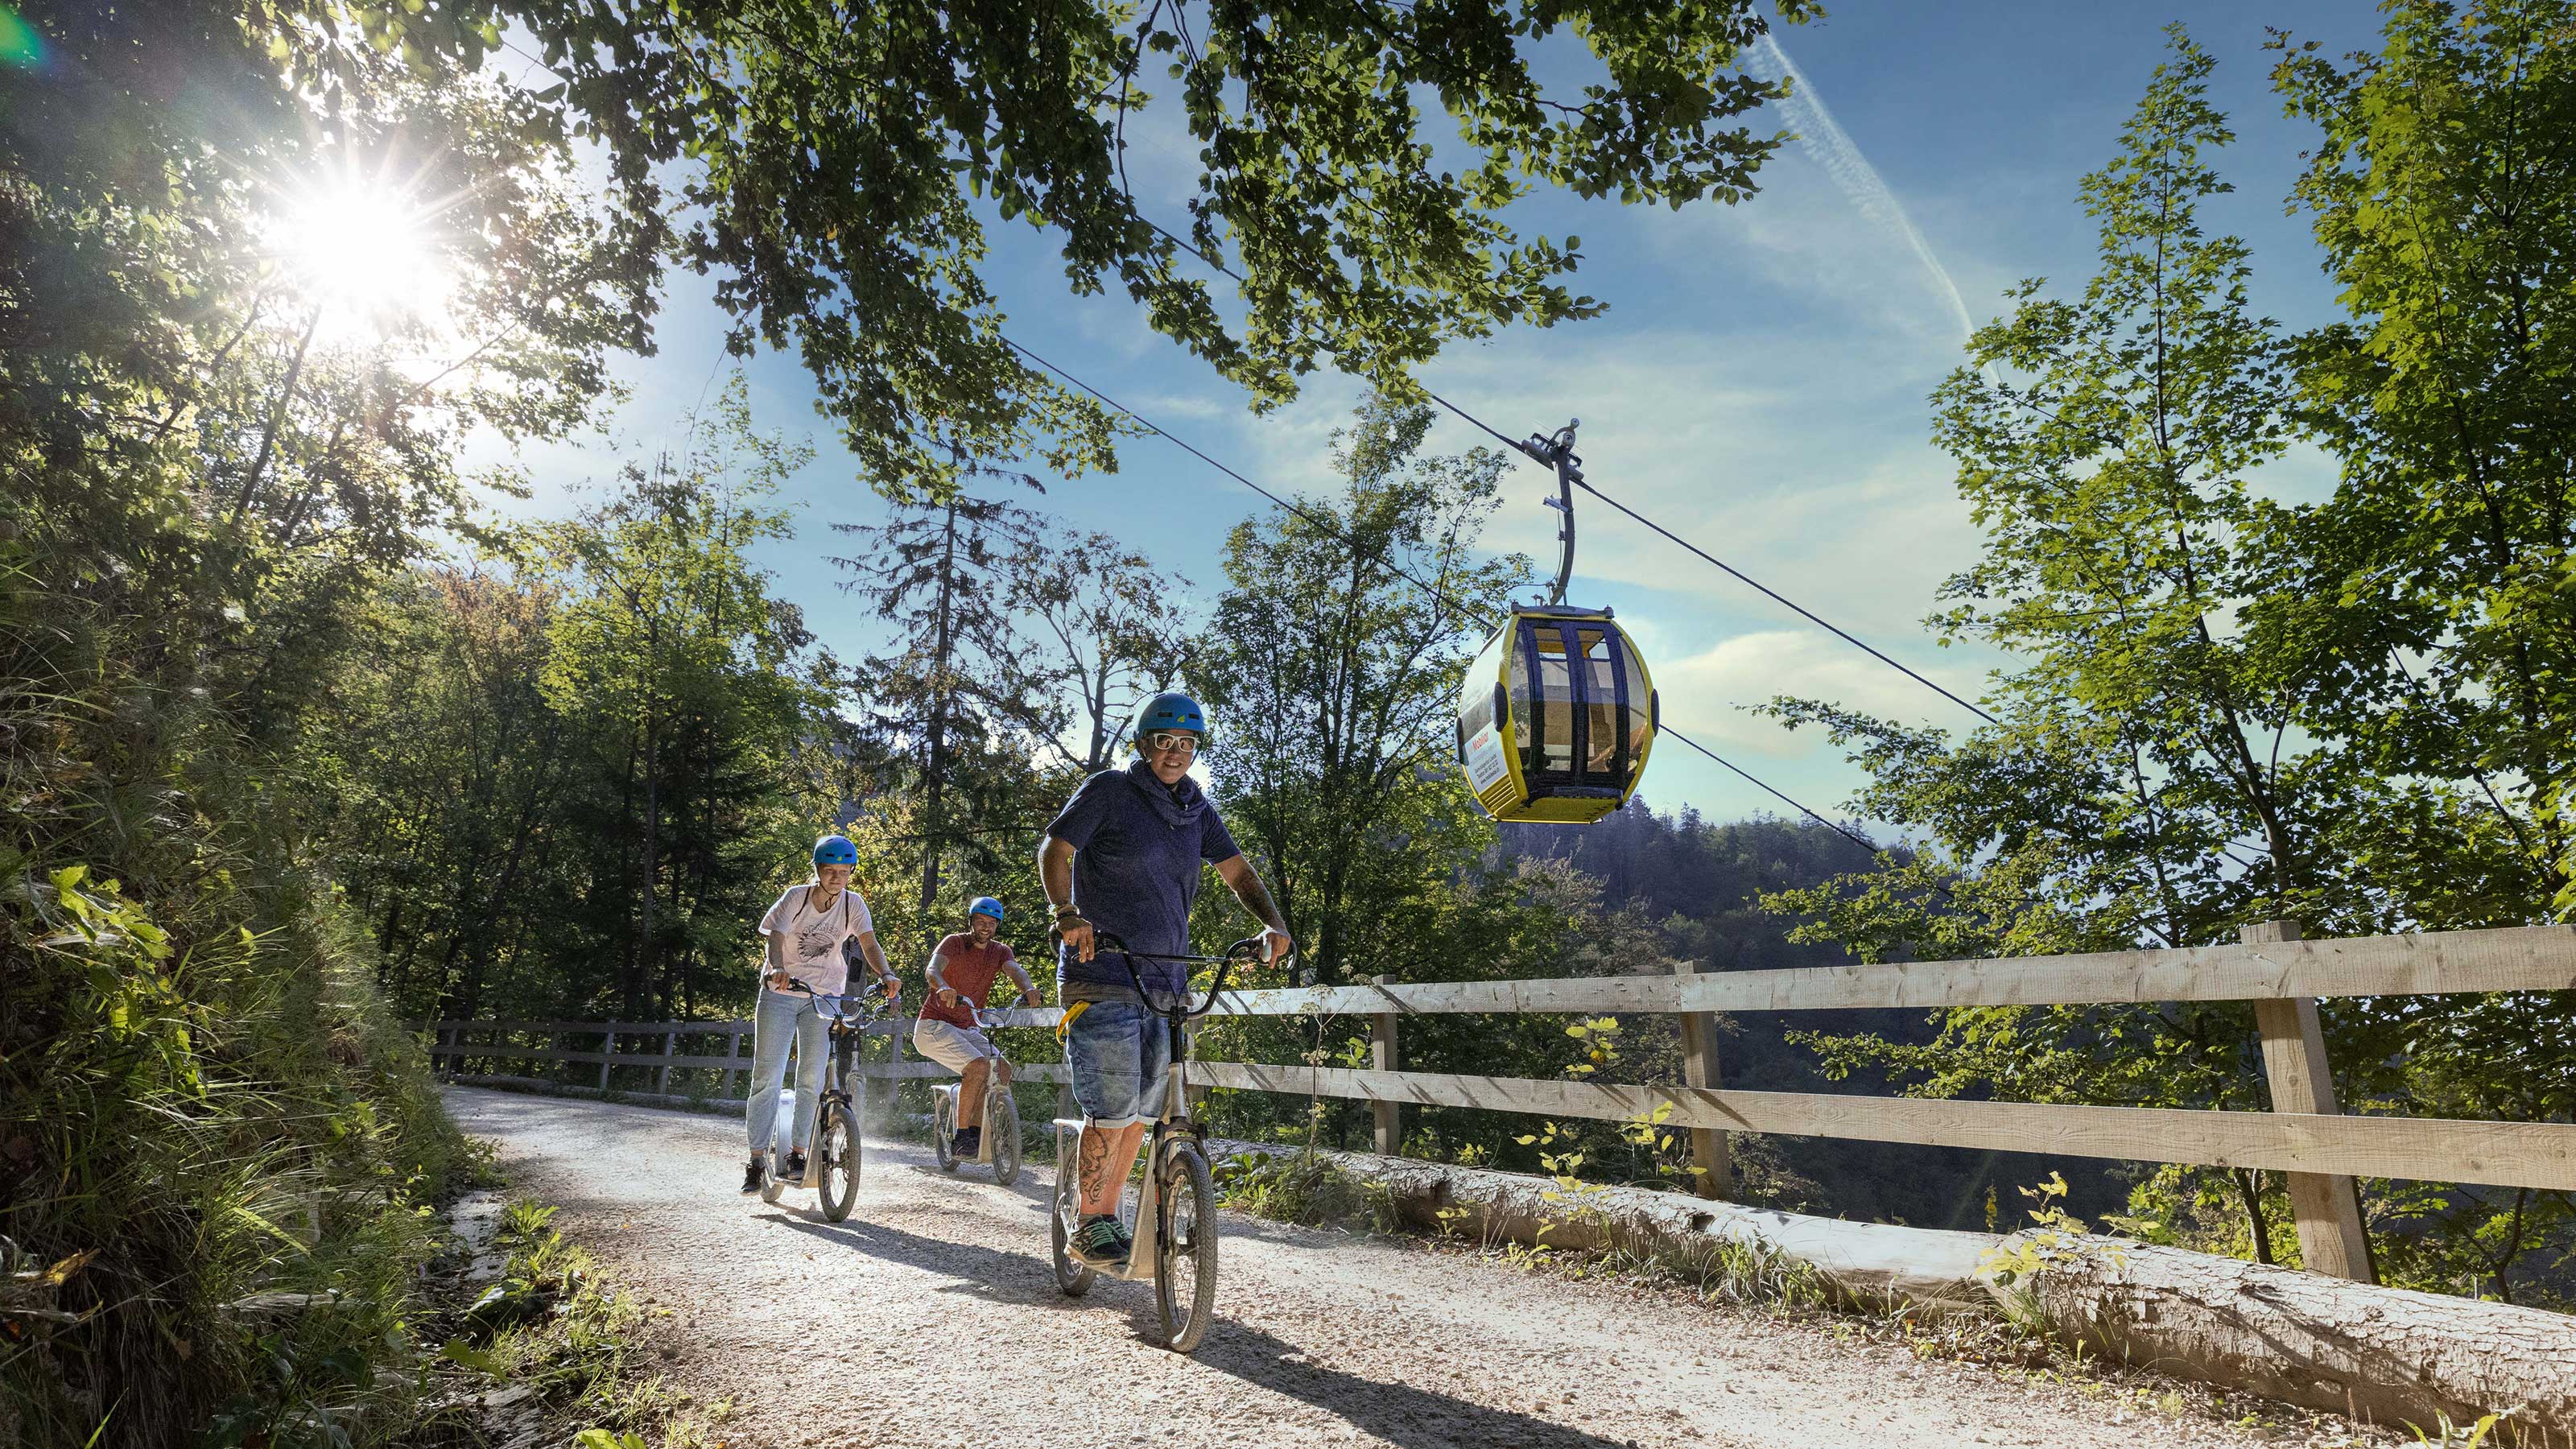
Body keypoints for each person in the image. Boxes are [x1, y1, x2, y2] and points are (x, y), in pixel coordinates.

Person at [1038, 691, 1292, 1268]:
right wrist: (1066, 913)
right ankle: (1092, 1220)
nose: (1175, 753)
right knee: (1112, 1105)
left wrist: (1273, 925)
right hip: (1102, 971)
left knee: (1144, 1112)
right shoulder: (1110, 791)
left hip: (1166, 984)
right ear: (1144, 743)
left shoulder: (1195, 809)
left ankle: (1102, 1214)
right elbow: (1056, 847)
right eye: (1164, 741)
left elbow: (1237, 872)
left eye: (1187, 744)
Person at [742, 833, 898, 1194]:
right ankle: (755, 1161)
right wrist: (777, 968)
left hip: (824, 994)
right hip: (781, 991)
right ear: (817, 870)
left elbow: (869, 942)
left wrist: (886, 974)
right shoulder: (796, 897)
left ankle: (798, 1154)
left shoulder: (853, 904)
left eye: (844, 872)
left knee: (813, 1078)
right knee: (768, 1074)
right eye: (830, 871)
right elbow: (775, 936)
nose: (837, 878)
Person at [911, 896, 1039, 1159]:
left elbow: (1015, 970)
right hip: (934, 1026)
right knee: (979, 1067)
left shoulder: (1000, 951)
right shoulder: (954, 943)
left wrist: (1028, 989)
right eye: (981, 921)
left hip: (967, 1027)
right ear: (970, 921)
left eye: (992, 923)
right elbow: (932, 969)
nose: (986, 927)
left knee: (1001, 1069)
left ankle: (979, 1134)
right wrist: (942, 985)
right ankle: (960, 1137)